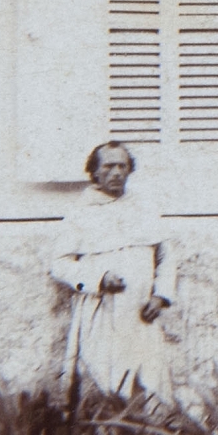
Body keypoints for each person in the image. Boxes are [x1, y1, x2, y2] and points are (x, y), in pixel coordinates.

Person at [51, 141, 175, 403]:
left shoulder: (144, 209)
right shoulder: (80, 214)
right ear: (94, 173)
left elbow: (166, 257)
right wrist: (99, 278)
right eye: (108, 166)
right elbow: (59, 264)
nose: (116, 172)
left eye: (122, 166)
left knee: (150, 386)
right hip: (102, 313)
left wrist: (160, 297)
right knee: (107, 385)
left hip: (143, 314)